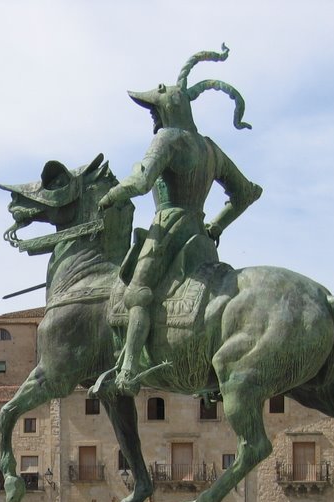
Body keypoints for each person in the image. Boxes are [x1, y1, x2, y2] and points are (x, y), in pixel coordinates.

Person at [93, 44, 262, 398]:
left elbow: (140, 181)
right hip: (199, 235)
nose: (152, 118)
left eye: (153, 111)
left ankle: (129, 368)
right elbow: (247, 193)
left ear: (166, 110)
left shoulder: (167, 138)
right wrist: (216, 226)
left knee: (138, 294)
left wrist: (109, 198)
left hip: (167, 229)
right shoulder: (211, 149)